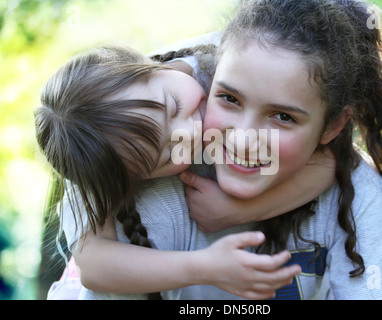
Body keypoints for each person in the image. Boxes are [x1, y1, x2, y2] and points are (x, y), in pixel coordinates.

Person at [179, 0, 382, 299]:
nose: (243, 141)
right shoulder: (167, 157)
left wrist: (240, 210)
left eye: (283, 117)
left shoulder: (360, 194)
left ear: (333, 126)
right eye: (229, 99)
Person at [37, 43, 334, 300]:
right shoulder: (101, 151)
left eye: (174, 106)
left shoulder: (229, 67)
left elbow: (329, 165)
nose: (188, 133)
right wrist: (204, 266)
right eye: (169, 154)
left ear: (151, 66)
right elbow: (94, 265)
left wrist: (237, 210)